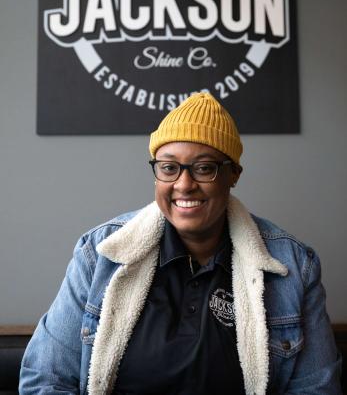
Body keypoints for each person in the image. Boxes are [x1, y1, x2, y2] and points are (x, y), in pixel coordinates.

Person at [19, 92, 341, 395]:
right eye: (169, 168)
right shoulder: (100, 254)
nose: (184, 185)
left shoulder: (292, 266)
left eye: (204, 168)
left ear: (234, 174)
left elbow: (315, 389)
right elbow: (46, 378)